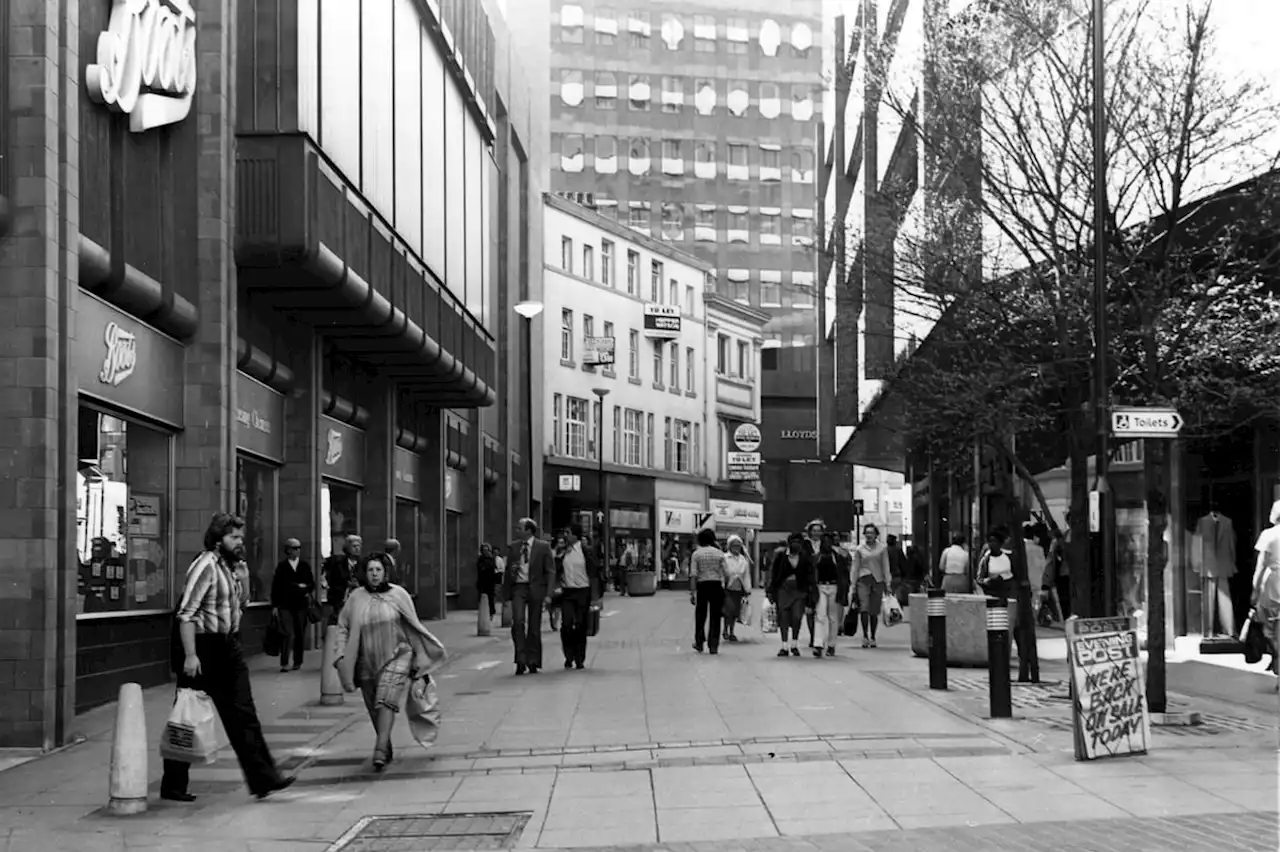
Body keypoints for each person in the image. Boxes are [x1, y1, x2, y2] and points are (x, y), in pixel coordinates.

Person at [161, 513, 294, 802]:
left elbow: (241, 605)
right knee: (188, 715)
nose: (239, 543)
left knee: (244, 714)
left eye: (241, 538)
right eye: (234, 538)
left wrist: (244, 580)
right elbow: (186, 613)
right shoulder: (205, 565)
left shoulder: (230, 569)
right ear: (218, 539)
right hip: (203, 647)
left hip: (228, 646)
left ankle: (264, 778)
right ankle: (172, 785)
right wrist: (191, 655)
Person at [335, 551, 447, 770]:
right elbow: (343, 628)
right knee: (373, 704)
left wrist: (419, 658)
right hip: (366, 658)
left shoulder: (399, 595)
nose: (374, 574)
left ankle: (379, 747)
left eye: (378, 570)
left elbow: (413, 626)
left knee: (386, 699)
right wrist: (340, 655)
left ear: (386, 572)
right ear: (364, 573)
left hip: (398, 654)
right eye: (370, 570)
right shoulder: (355, 598)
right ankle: (386, 744)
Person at [503, 518, 553, 675]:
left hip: (536, 589)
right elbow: (507, 572)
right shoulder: (514, 547)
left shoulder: (543, 547)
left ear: (529, 531)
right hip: (519, 587)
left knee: (534, 626)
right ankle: (520, 659)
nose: (517, 530)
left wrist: (549, 594)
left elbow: (550, 571)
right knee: (518, 622)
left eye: (520, 528)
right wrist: (506, 594)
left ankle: (533, 660)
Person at [557, 524, 602, 669]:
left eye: (568, 533)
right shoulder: (562, 551)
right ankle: (568, 655)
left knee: (581, 625)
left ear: (575, 536)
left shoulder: (585, 551)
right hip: (567, 592)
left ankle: (579, 657)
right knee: (567, 625)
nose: (565, 535)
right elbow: (555, 569)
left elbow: (594, 573)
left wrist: (596, 598)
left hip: (583, 591)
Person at [270, 538, 315, 672]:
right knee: (286, 633)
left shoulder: (304, 566)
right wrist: (275, 606)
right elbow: (276, 587)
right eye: (294, 548)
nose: (297, 551)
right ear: (288, 550)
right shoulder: (282, 566)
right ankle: (284, 662)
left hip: (301, 605)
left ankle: (297, 661)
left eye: (299, 548)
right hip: (285, 604)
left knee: (300, 632)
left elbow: (311, 583)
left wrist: (304, 588)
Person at [768, 533, 817, 658]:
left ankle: (794, 644)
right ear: (789, 543)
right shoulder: (781, 556)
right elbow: (774, 574)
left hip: (799, 592)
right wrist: (770, 591)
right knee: (783, 617)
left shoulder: (805, 557)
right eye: (793, 541)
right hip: (783, 592)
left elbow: (810, 575)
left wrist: (811, 591)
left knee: (797, 617)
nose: (796, 544)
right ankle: (784, 646)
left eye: (798, 542)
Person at [1250, 500, 1280, 688]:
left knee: (1268, 628)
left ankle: (1278, 660)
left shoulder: (1268, 535)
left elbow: (1260, 565)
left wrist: (1254, 590)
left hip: (1274, 584)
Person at [688, 528, 729, 654]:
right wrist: (724, 585)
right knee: (716, 616)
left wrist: (692, 592)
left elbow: (693, 574)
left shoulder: (696, 554)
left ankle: (699, 642)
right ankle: (713, 645)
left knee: (700, 615)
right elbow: (727, 573)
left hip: (702, 585)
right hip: (716, 585)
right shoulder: (720, 553)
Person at [812, 533, 851, 657]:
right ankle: (818, 644)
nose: (827, 544)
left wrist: (844, 591)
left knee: (833, 618)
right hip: (820, 587)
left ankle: (831, 645)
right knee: (820, 615)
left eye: (829, 542)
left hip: (834, 587)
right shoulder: (817, 557)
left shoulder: (838, 557)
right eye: (824, 542)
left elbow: (845, 574)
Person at [853, 524, 891, 648]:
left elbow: (885, 565)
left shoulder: (882, 548)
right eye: (867, 533)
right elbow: (855, 567)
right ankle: (865, 635)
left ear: (876, 534)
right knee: (864, 607)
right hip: (863, 579)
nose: (869, 535)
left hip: (878, 580)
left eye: (871, 533)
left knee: (874, 610)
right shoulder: (860, 549)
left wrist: (888, 582)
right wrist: (853, 584)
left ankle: (873, 636)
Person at [322, 534, 363, 624]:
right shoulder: (337, 562)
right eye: (354, 546)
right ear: (347, 548)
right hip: (340, 600)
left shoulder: (364, 564)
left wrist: (358, 585)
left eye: (359, 546)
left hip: (358, 602)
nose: (357, 549)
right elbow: (330, 578)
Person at [722, 535, 753, 643]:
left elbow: (746, 575)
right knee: (728, 610)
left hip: (739, 589)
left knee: (736, 612)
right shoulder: (725, 558)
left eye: (738, 546)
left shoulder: (743, 559)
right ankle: (725, 629)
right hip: (728, 588)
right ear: (729, 546)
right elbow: (722, 573)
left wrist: (748, 589)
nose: (736, 548)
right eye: (734, 545)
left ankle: (732, 631)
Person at [476, 543, 498, 619]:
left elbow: (494, 568)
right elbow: (479, 569)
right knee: (482, 597)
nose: (485, 551)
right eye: (484, 550)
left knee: (491, 597)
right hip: (482, 581)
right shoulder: (480, 559)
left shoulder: (492, 558)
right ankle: (483, 612)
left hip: (490, 581)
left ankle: (491, 612)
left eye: (487, 550)